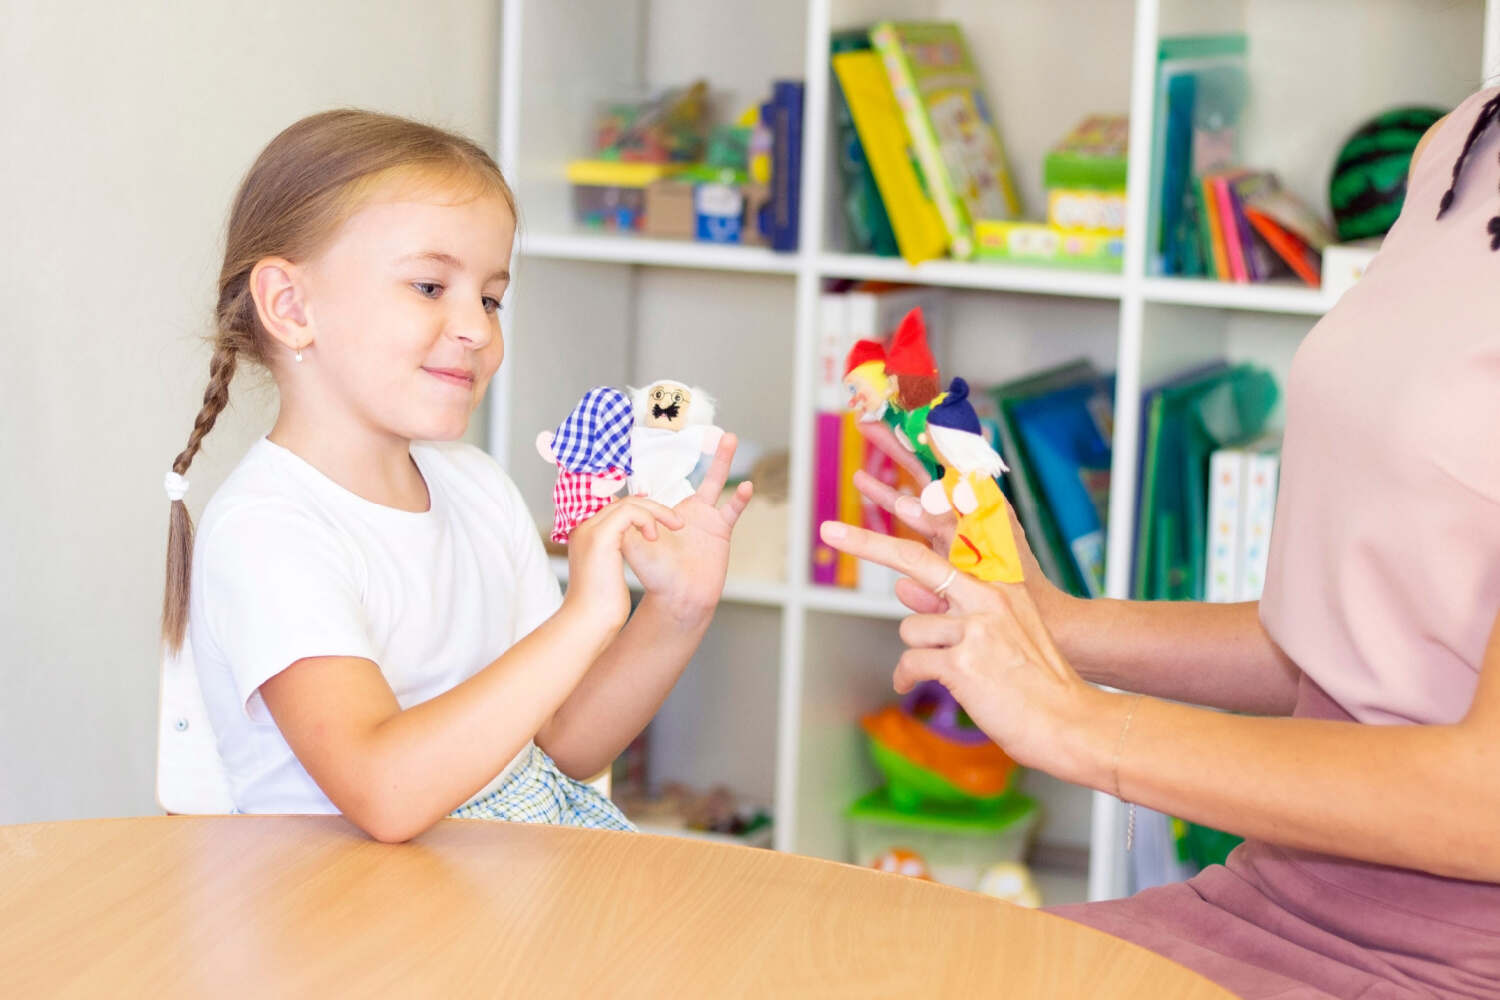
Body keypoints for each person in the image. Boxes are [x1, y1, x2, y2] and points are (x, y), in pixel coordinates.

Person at [821, 86, 1500, 999]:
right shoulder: (1460, 145)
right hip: (1268, 899)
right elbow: (1351, 651)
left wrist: (1078, 722)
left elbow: (1483, 798)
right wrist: (1050, 621)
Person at [160, 110, 751, 842]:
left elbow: (568, 740)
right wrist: (584, 618)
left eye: (491, 297)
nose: (477, 327)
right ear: (290, 305)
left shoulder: (475, 486)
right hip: (348, 920)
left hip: (493, 882)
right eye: (431, 287)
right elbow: (385, 792)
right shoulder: (268, 530)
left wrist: (675, 608)